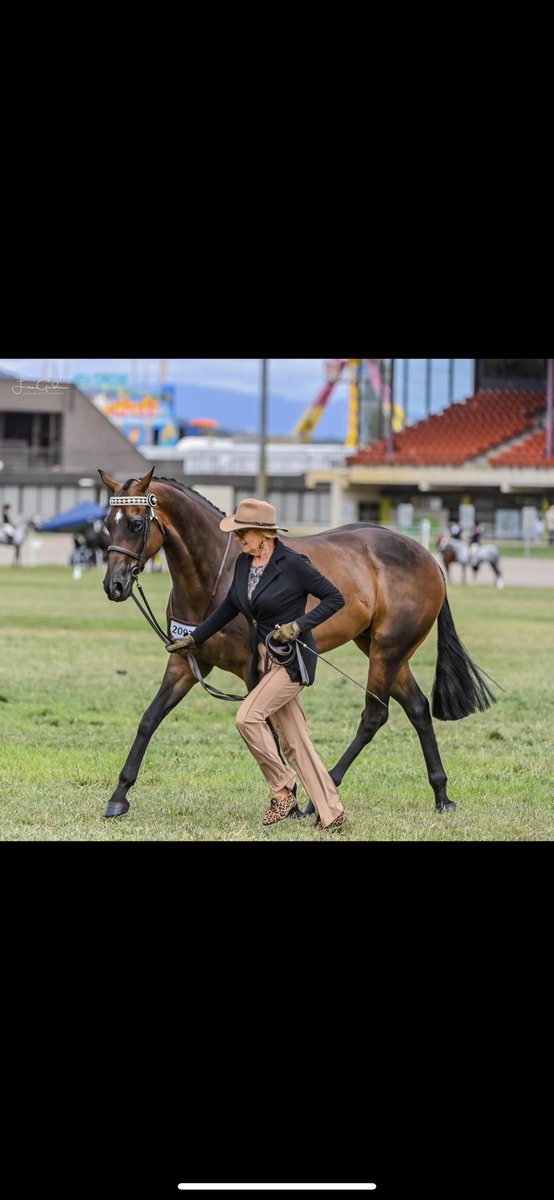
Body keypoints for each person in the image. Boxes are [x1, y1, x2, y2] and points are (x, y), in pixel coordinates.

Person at [167, 497, 347, 831]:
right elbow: (228, 608)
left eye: (242, 533)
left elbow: (336, 598)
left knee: (247, 718)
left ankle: (282, 789)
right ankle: (331, 811)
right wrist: (194, 638)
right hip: (264, 661)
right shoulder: (244, 565)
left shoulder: (294, 564)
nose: (237, 539)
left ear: (263, 533)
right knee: (295, 742)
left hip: (292, 662)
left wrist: (298, 626)